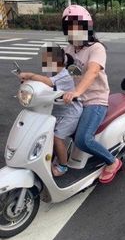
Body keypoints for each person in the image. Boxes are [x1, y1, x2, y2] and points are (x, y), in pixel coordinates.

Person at [61, 4, 122, 184]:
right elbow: (58, 74)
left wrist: (77, 91)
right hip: (75, 99)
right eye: (69, 27)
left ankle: (112, 161)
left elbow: (93, 71)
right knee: (56, 128)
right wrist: (34, 79)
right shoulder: (67, 50)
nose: (74, 30)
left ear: (87, 26)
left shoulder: (97, 48)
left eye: (78, 26)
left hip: (95, 100)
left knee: (82, 139)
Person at [19, 43, 83, 177]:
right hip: (56, 111)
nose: (45, 62)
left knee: (57, 138)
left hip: (70, 113)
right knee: (44, 133)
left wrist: (30, 75)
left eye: (47, 59)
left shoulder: (65, 74)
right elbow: (43, 84)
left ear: (57, 61)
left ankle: (63, 166)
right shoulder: (52, 72)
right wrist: (29, 83)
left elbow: (49, 82)